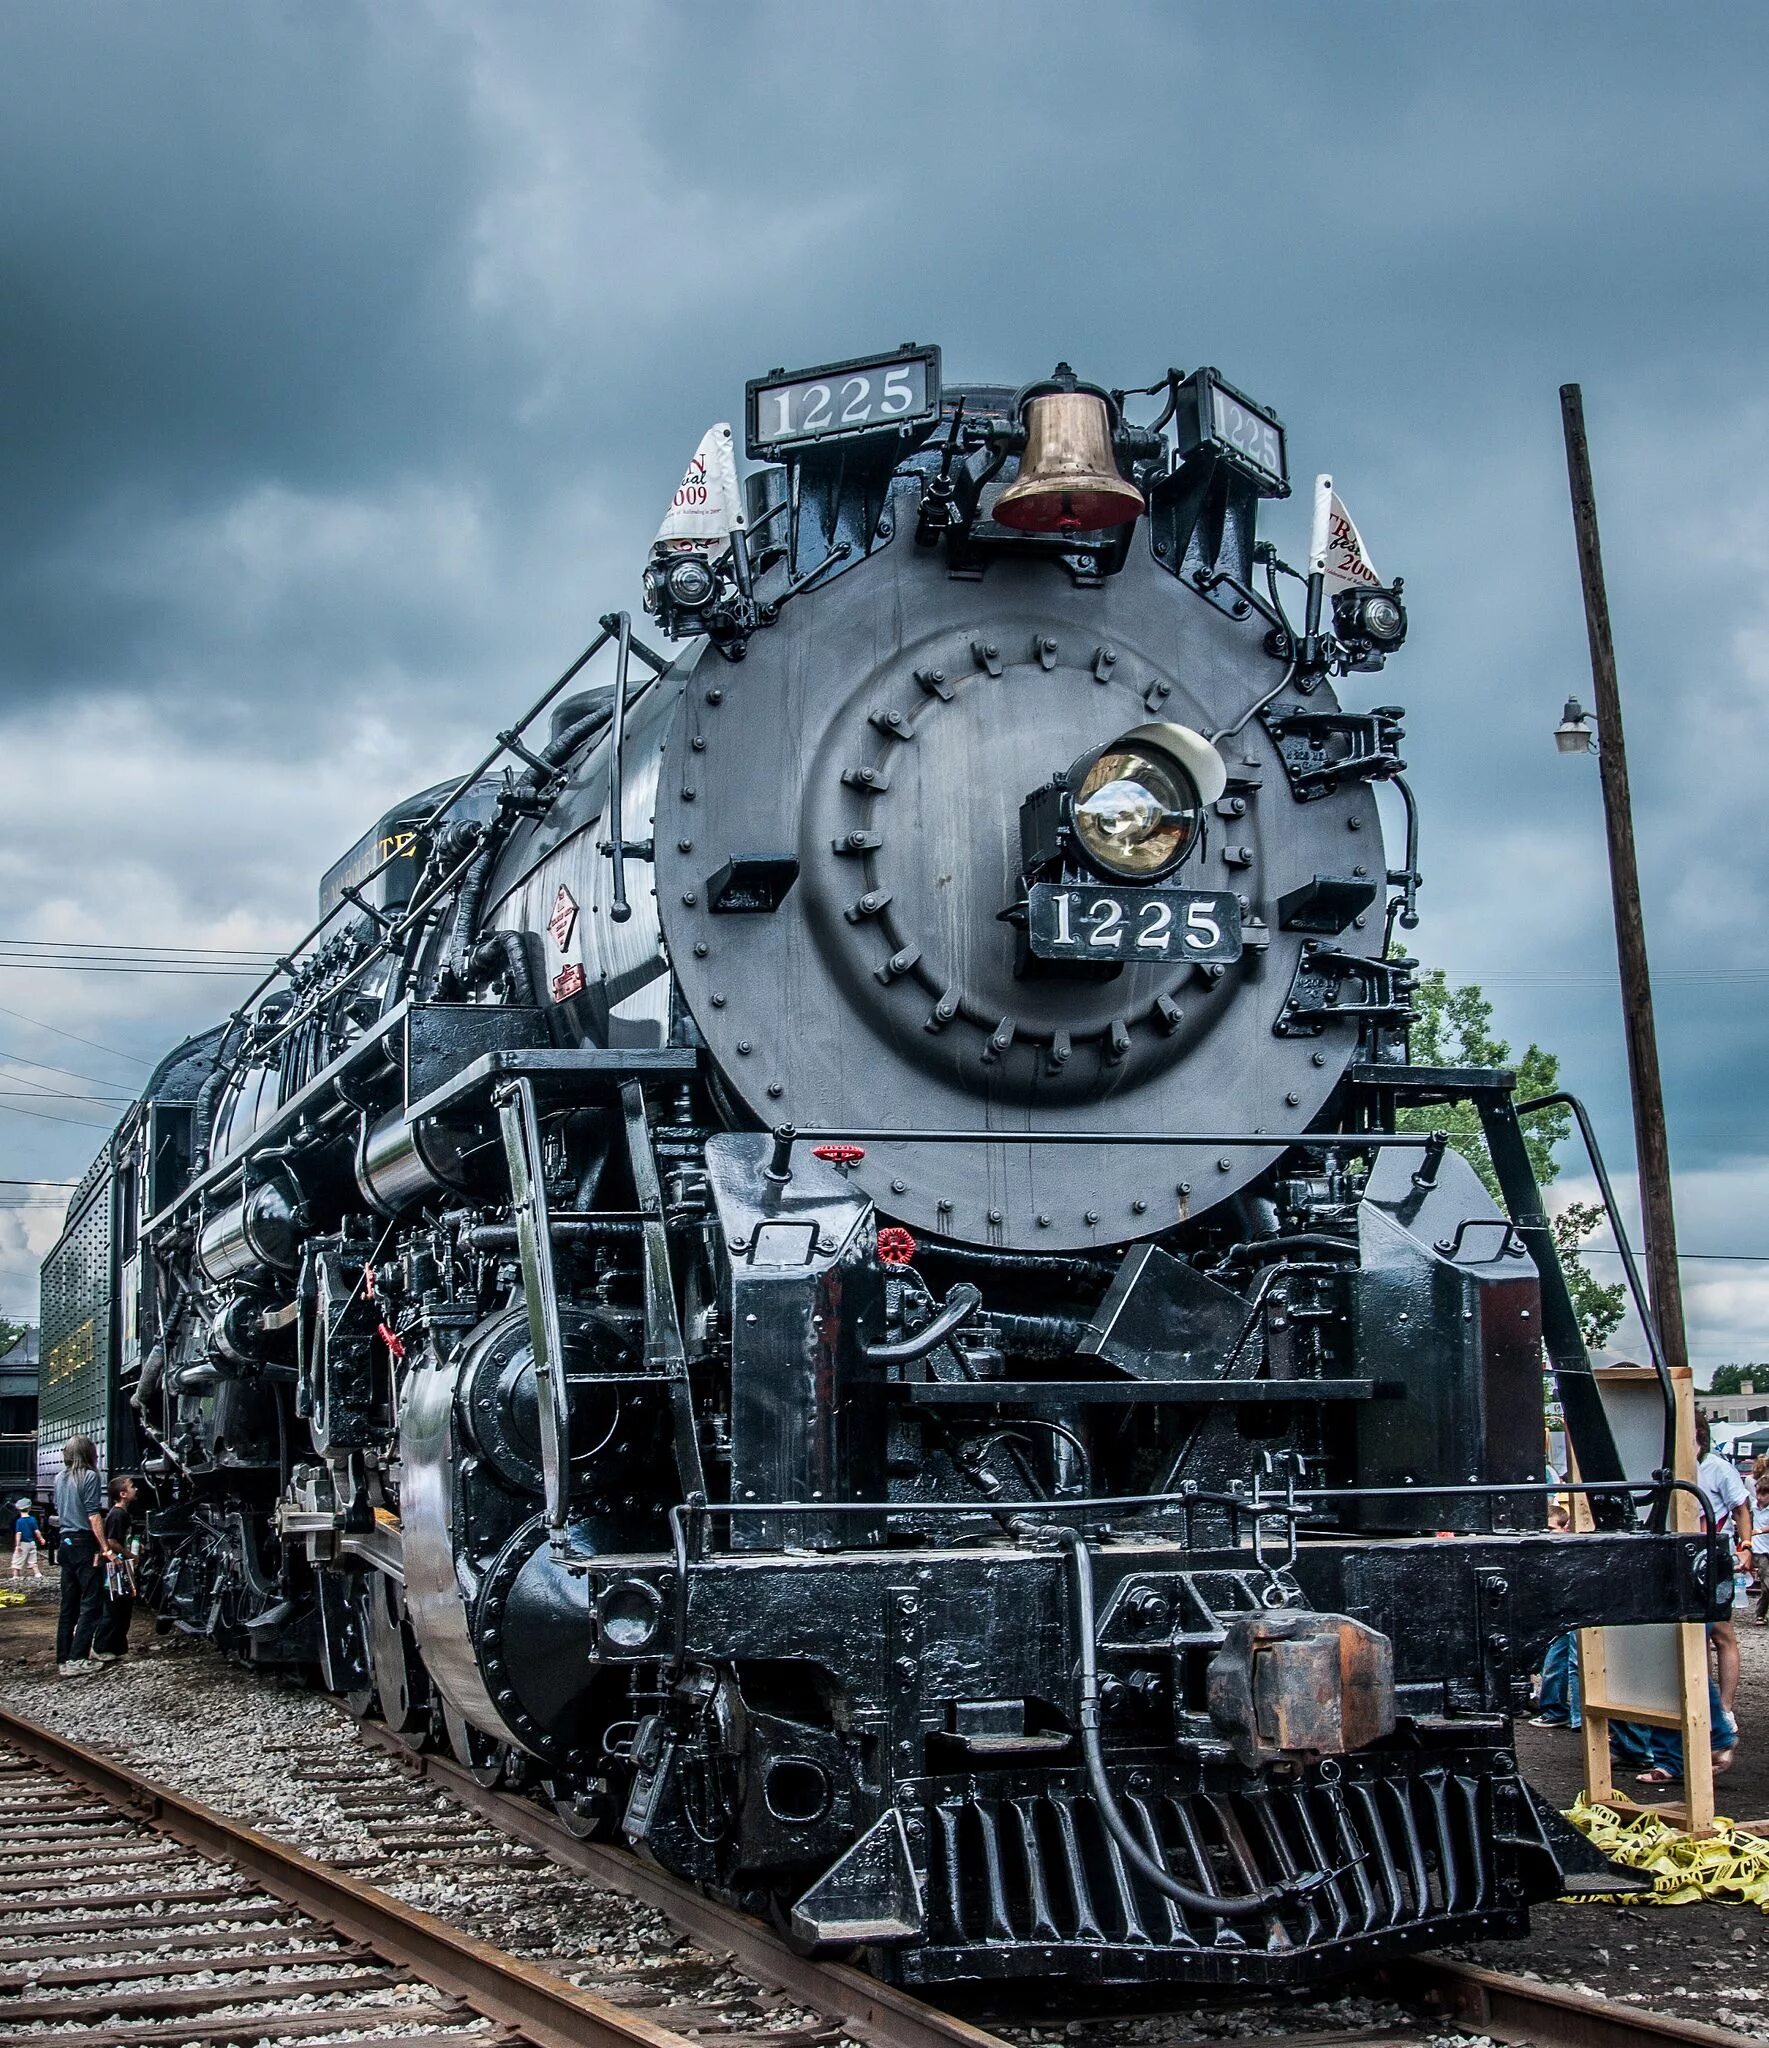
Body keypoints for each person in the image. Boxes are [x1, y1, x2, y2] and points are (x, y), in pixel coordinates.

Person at [1695, 1412, 1752, 1721]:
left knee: (1722, 1633)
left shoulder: (1718, 1468)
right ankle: (1705, 1704)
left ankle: (1725, 1710)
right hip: (1688, 1556)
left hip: (1715, 1556)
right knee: (1696, 1635)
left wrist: (1746, 1546)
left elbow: (1740, 1508)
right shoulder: (1677, 1467)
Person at [53, 1436, 113, 1675]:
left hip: (65, 1542)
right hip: (83, 1542)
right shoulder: (89, 1476)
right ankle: (78, 1658)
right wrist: (105, 1547)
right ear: (89, 1453)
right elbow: (93, 1515)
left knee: (68, 1605)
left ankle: (63, 1658)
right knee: (91, 1603)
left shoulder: (59, 1477)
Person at [92, 1476, 138, 1661]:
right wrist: (131, 1555)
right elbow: (112, 1541)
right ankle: (102, 1647)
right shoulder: (118, 1514)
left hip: (119, 1564)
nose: (136, 1489)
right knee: (114, 1607)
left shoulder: (120, 1513)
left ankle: (118, 1648)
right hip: (116, 1566)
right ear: (123, 1494)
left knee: (123, 1606)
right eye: (132, 1486)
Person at [10, 1498, 45, 1581]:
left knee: (17, 1559)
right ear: (29, 1508)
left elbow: (19, 1533)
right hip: (32, 1543)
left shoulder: (19, 1521)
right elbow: (37, 1531)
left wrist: (17, 1545)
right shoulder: (32, 1519)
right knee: (32, 1559)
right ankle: (37, 1574)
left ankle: (15, 1576)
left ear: (19, 1509)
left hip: (23, 1543)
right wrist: (41, 1539)